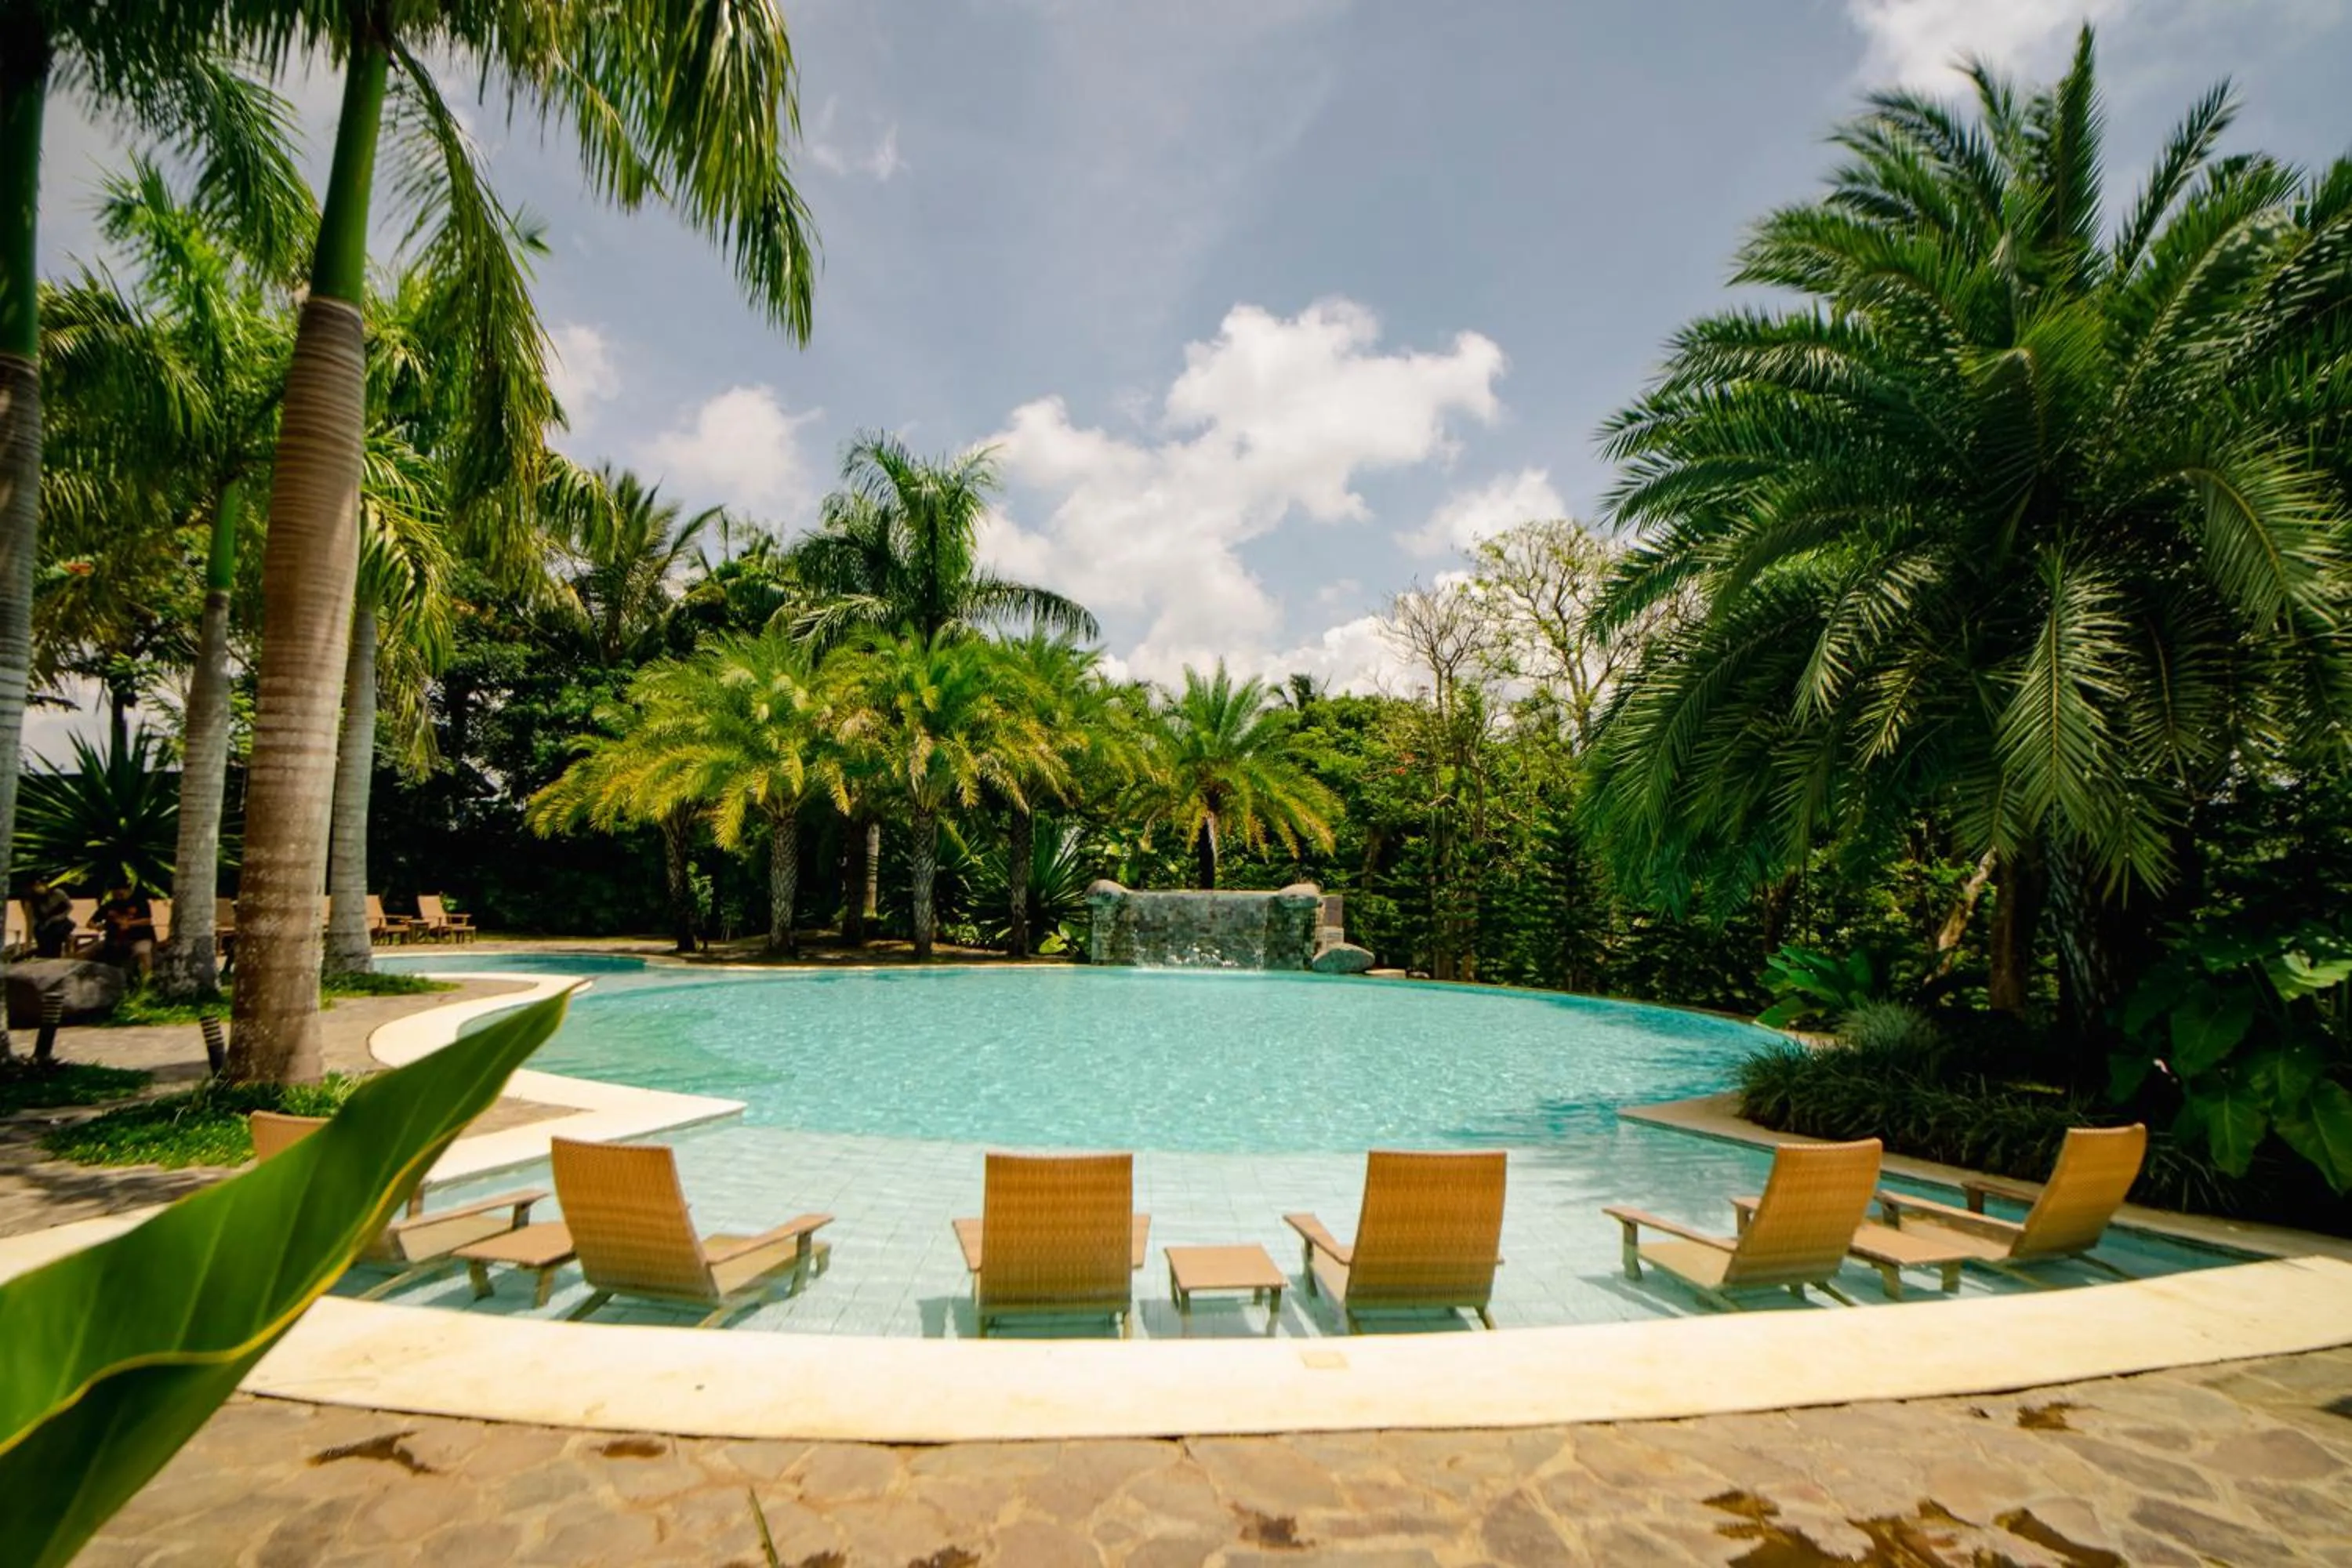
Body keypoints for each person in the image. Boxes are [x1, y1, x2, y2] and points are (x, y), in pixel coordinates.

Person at [93, 884, 156, 978]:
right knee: (91, 951)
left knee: (143, 951)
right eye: (115, 892)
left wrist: (130, 924)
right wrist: (98, 926)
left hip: (138, 938)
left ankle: (146, 980)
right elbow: (91, 922)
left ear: (128, 891)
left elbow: (147, 920)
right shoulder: (109, 905)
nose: (118, 894)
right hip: (113, 939)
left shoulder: (140, 903)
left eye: (121, 892)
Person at [29, 879, 74, 959]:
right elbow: (33, 917)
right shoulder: (34, 898)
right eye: (36, 886)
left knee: (56, 938)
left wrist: (57, 918)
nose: (39, 888)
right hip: (44, 924)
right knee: (42, 939)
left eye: (40, 884)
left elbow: (69, 907)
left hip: (59, 922)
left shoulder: (58, 893)